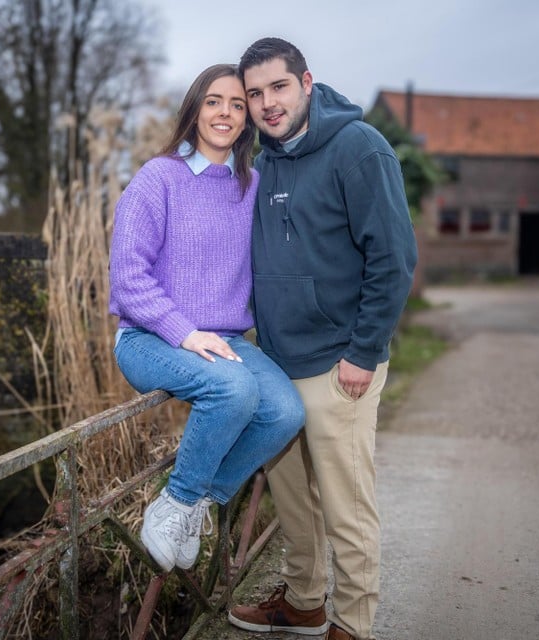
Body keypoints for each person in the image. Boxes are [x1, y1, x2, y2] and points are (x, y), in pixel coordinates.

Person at [226, 38, 418, 640]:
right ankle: (304, 601)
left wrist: (364, 352)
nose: (266, 104)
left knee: (345, 506)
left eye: (277, 87)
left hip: (341, 363)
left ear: (307, 82)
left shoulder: (360, 149)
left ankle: (353, 623)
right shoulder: (264, 160)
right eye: (254, 93)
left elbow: (393, 257)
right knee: (292, 502)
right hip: (280, 366)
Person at [109, 63, 306, 573]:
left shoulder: (252, 185)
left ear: (247, 121)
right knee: (235, 391)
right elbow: (128, 279)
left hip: (223, 339)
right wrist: (185, 332)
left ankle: (200, 503)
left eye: (238, 105)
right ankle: (173, 502)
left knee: (286, 413)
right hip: (149, 335)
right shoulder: (159, 177)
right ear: (195, 108)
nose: (226, 112)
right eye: (215, 101)